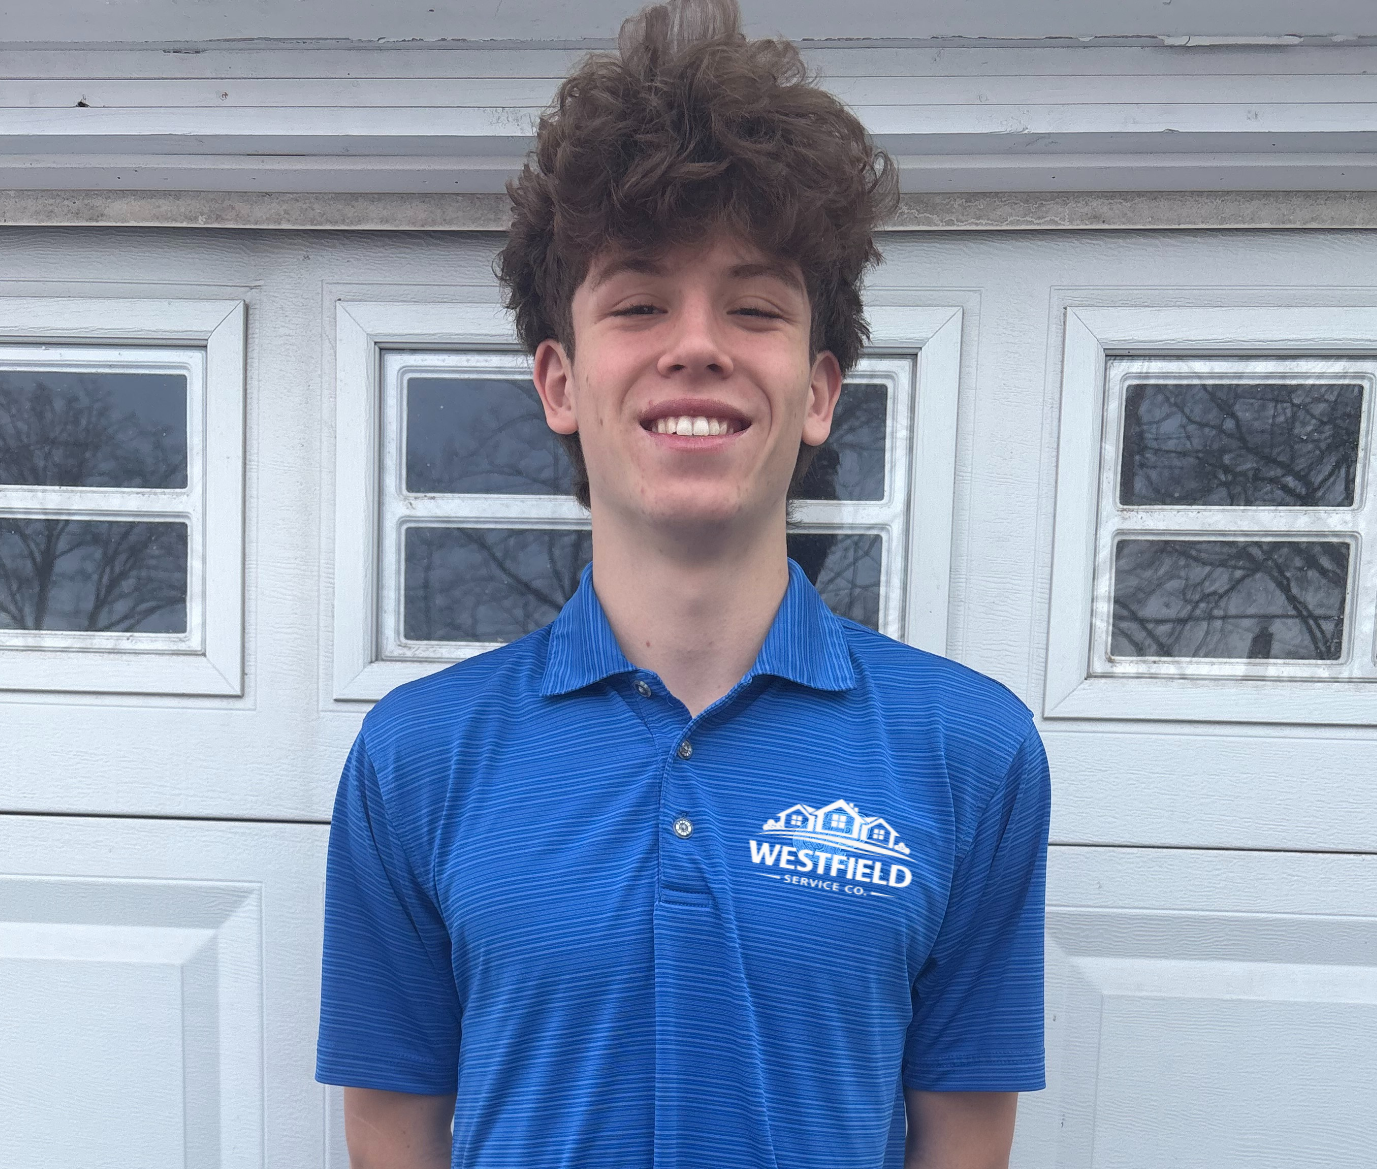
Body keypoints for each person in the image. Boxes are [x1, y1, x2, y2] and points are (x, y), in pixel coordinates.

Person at [316, 1, 1050, 1165]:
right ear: (560, 379)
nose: (695, 343)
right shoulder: (418, 757)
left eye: (753, 307)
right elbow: (391, 1124)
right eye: (641, 302)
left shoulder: (970, 751)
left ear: (818, 391)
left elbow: (963, 1132)